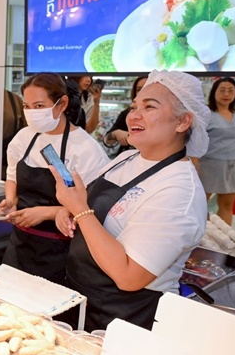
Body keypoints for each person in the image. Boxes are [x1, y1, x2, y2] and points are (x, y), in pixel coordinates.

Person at [51, 70, 209, 332]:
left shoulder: (179, 192)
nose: (133, 115)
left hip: (126, 318)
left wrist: (80, 210)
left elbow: (129, 276)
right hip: (82, 299)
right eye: (134, 106)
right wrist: (68, 210)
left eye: (149, 107)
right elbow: (92, 211)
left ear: (183, 122)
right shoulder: (128, 158)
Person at [0, 73, 109, 284]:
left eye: (39, 106)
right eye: (27, 106)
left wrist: (46, 213)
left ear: (62, 104)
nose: (32, 113)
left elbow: (93, 206)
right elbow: (12, 176)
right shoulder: (24, 138)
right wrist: (11, 201)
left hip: (62, 251)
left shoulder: (85, 148)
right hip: (19, 245)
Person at [197, 77, 235, 226]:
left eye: (231, 90)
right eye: (222, 90)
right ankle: (200, 235)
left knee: (227, 205)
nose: (226, 94)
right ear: (214, 92)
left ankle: (223, 237)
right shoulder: (205, 115)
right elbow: (194, 141)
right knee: (200, 204)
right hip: (209, 165)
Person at [103, 76, 148, 156]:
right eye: (139, 89)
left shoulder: (163, 115)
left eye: (146, 88)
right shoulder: (126, 113)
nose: (142, 92)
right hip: (127, 158)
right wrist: (116, 133)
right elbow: (107, 141)